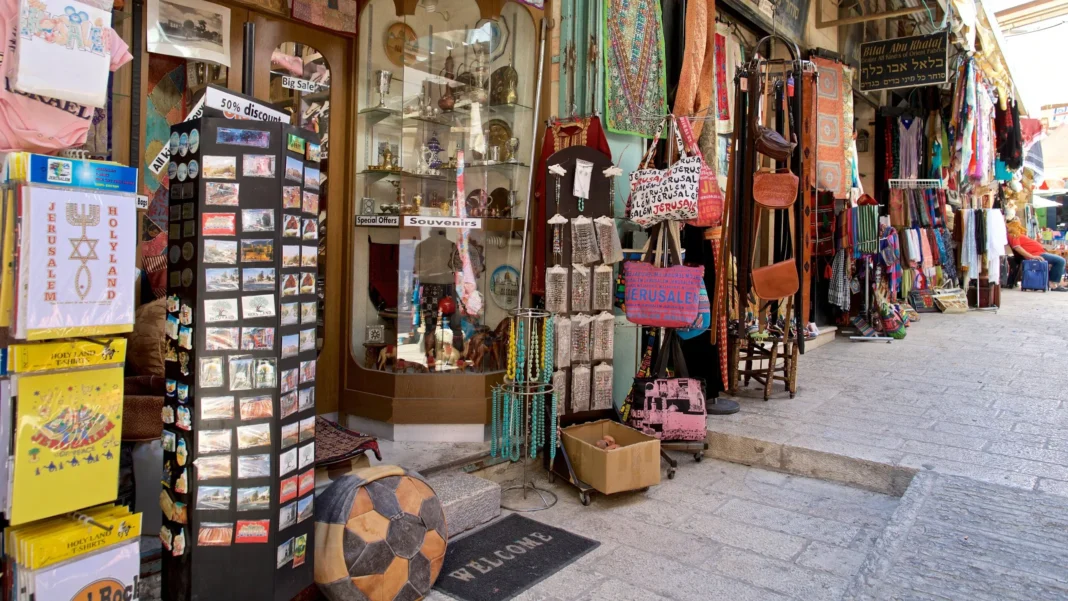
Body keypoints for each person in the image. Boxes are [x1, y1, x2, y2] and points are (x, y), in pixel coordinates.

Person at [1007, 219, 1067, 291]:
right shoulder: (1012, 234)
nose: (1019, 224)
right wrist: (1032, 256)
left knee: (1059, 262)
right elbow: (1017, 247)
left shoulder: (1015, 234)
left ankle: (1051, 282)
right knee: (1061, 261)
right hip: (1036, 254)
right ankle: (1052, 284)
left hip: (1039, 252)